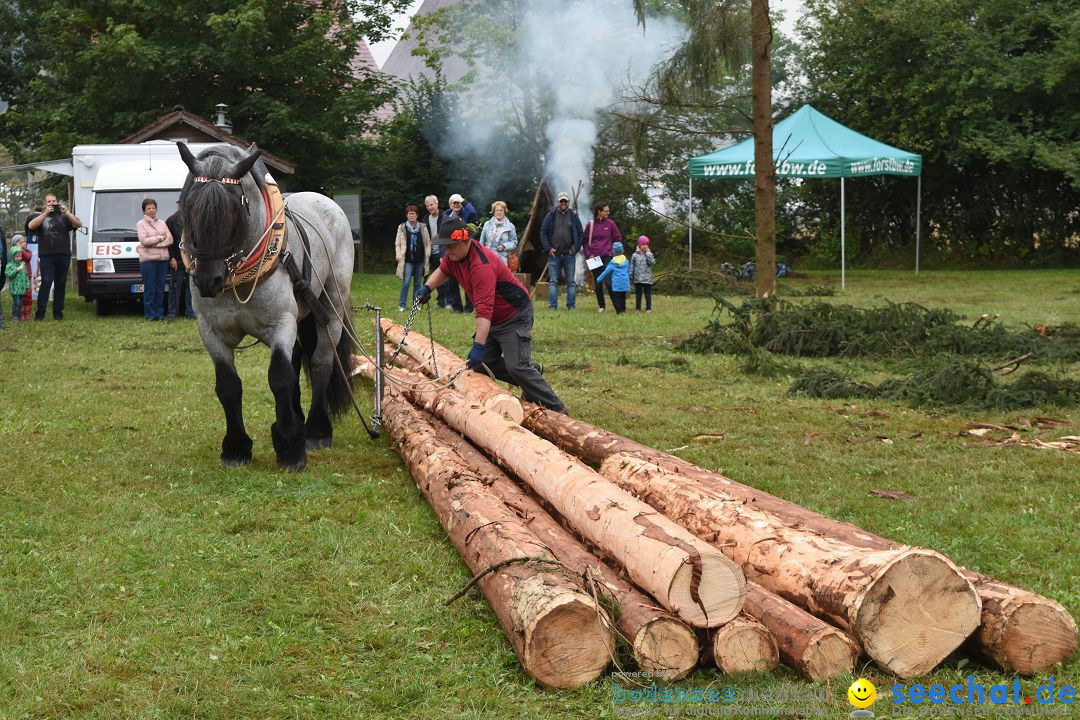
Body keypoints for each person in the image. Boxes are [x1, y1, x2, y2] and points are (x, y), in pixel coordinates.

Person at [417, 217, 565, 413]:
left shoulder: (481, 266)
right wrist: (427, 287)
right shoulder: (455, 256)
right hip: (493, 317)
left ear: (464, 240)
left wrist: (478, 346)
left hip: (514, 315)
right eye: (444, 246)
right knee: (482, 365)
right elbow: (443, 270)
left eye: (450, 245)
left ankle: (558, 409)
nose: (447, 250)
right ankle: (532, 374)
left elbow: (484, 310)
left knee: (517, 367)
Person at [25, 193, 82, 321]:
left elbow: (79, 224)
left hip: (63, 255)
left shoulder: (64, 216)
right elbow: (31, 226)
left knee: (60, 284)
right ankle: (40, 314)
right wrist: (45, 214)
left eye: (53, 201)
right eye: (49, 201)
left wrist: (67, 211)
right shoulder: (40, 217)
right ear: (45, 204)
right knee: (46, 282)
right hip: (46, 256)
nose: (51, 203)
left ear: (57, 201)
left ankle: (58, 314)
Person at [539, 191, 583, 311]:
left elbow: (580, 234)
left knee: (571, 282)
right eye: (561, 201)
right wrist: (548, 248)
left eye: (565, 201)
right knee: (553, 281)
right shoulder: (550, 215)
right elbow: (543, 232)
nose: (563, 203)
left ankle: (571, 306)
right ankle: (552, 307)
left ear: (568, 202)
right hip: (554, 254)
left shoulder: (574, 216)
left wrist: (574, 249)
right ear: (557, 202)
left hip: (569, 254)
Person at [135, 198, 172, 321]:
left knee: (160, 289)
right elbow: (144, 241)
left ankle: (159, 314)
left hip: (163, 261)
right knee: (150, 289)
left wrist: (156, 243)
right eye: (148, 208)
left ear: (156, 209)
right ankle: (150, 315)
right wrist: (161, 238)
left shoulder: (162, 222)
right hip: (148, 261)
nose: (151, 210)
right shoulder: (141, 224)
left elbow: (170, 240)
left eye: (153, 208)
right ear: (144, 211)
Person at [582, 202, 622, 313]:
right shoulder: (590, 225)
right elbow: (585, 241)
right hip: (594, 258)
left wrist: (613, 251)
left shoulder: (611, 224)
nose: (608, 213)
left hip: (607, 257)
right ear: (599, 212)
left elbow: (618, 238)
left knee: (609, 281)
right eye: (606, 211)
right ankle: (602, 306)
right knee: (598, 282)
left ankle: (618, 307)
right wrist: (588, 254)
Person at [439, 193, 476, 313]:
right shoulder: (445, 216)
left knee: (467, 280)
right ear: (450, 205)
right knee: (452, 282)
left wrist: (462, 200)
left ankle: (469, 307)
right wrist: (442, 255)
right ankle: (457, 307)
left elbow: (472, 211)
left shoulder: (465, 214)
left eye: (458, 203)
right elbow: (442, 236)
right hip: (450, 252)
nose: (456, 205)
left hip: (464, 252)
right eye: (454, 203)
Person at [394, 204, 432, 311]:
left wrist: (428, 254)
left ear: (417, 215)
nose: (411, 215)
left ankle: (415, 305)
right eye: (409, 213)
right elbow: (397, 243)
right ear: (406, 215)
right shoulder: (402, 228)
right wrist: (398, 255)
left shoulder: (423, 227)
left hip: (420, 260)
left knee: (417, 283)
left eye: (413, 213)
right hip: (408, 260)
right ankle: (402, 305)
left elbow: (428, 243)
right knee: (406, 282)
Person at [164, 212, 195, 319]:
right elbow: (169, 242)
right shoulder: (171, 220)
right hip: (177, 260)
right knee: (174, 287)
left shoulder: (194, 218)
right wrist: (171, 257)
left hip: (190, 260)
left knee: (190, 287)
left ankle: (190, 312)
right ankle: (172, 312)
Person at [424, 195, 448, 308]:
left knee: (447, 277)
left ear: (437, 204)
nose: (430, 207)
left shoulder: (445, 216)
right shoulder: (425, 220)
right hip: (432, 253)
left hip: (443, 251)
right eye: (427, 205)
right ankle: (440, 301)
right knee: (437, 277)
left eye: (431, 204)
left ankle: (450, 301)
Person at [594, 241, 630, 315]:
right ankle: (623, 311)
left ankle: (619, 311)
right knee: (623, 298)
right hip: (625, 283)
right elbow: (628, 271)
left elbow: (606, 272)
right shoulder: (626, 261)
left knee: (616, 299)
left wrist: (599, 279)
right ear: (623, 251)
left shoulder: (612, 262)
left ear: (613, 252)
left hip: (616, 284)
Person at [479, 201, 518, 265]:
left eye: (501, 210)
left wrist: (504, 246)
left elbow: (514, 242)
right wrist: (481, 256)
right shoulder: (487, 224)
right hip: (487, 259)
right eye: (497, 210)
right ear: (493, 212)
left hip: (502, 260)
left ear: (504, 212)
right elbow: (481, 242)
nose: (499, 212)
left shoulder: (510, 226)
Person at [630, 235, 656, 312]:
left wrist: (648, 253)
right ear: (639, 245)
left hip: (647, 278)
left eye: (647, 244)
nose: (645, 246)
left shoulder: (649, 254)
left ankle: (648, 308)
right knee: (638, 294)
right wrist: (631, 275)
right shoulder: (634, 255)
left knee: (647, 294)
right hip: (637, 278)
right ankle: (638, 308)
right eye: (643, 244)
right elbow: (632, 265)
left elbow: (652, 262)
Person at [6, 246, 31, 321]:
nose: (18, 258)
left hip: (22, 288)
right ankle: (15, 316)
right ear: (12, 256)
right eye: (16, 256)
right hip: (15, 289)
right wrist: (16, 270)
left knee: (21, 303)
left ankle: (19, 315)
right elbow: (9, 274)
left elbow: (25, 275)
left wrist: (27, 285)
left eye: (20, 256)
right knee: (17, 302)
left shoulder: (23, 264)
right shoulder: (10, 265)